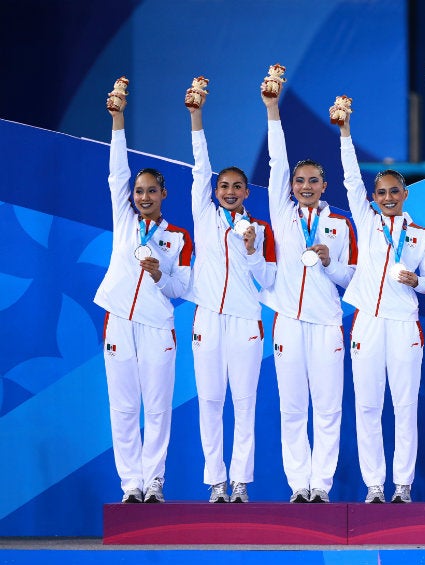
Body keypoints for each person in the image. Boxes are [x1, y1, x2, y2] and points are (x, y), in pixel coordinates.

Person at [261, 79, 357, 503]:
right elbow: (276, 163)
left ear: (324, 186)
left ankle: (322, 485)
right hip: (288, 322)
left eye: (312, 180)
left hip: (326, 324)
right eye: (299, 180)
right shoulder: (281, 214)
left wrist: (329, 261)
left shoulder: (339, 226)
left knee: (329, 408)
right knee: (292, 408)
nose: (303, 185)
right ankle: (299, 484)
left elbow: (352, 279)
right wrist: (272, 109)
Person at [95, 87, 192, 503]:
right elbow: (117, 172)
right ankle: (130, 485)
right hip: (119, 318)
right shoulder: (124, 220)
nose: (144, 197)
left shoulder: (178, 238)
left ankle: (154, 482)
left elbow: (182, 289)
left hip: (157, 327)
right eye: (139, 191)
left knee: (156, 409)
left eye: (152, 190)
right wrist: (118, 120)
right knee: (123, 408)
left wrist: (156, 278)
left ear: (164, 195)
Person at [336, 104, 425, 504]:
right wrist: (345, 132)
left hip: (404, 325)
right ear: (374, 198)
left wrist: (418, 281)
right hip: (368, 324)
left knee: (405, 406)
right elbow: (347, 178)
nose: (389, 197)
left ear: (405, 194)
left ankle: (403, 485)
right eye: (382, 193)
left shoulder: (420, 236)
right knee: (368, 406)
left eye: (395, 191)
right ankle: (375, 485)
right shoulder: (367, 220)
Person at [187, 92, 276, 503]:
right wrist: (197, 116)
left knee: (244, 402)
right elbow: (199, 166)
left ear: (246, 193)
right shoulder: (203, 216)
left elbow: (268, 279)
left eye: (237, 186)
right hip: (207, 318)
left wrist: (254, 248)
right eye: (223, 185)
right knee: (209, 400)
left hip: (245, 321)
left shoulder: (256, 228)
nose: (228, 191)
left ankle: (239, 481)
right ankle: (215, 482)